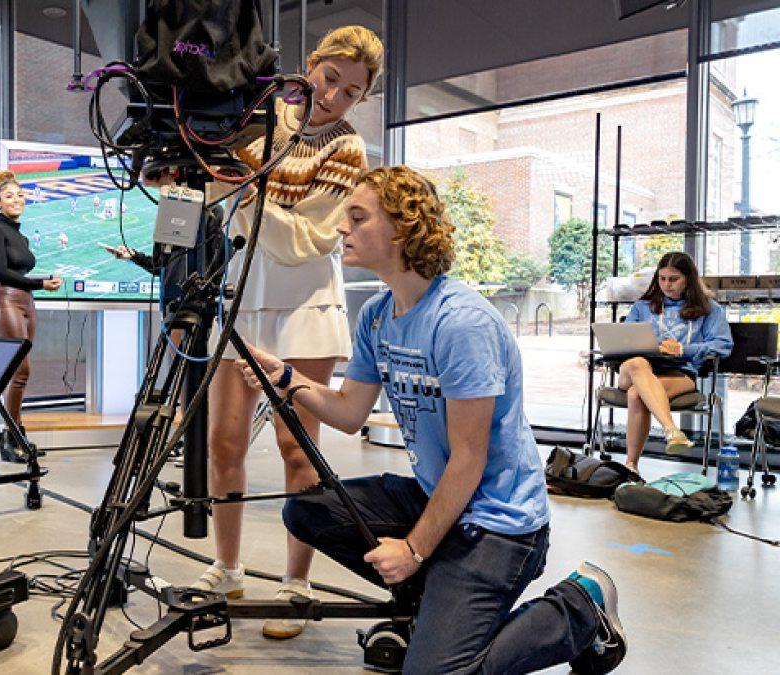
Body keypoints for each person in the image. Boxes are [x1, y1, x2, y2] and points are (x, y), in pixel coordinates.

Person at [240, 166, 626, 674]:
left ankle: (579, 607)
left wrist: (415, 551)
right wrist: (289, 378)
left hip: (499, 526)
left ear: (402, 228)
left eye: (358, 217)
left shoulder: (460, 323)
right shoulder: (377, 316)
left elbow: (470, 458)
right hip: (438, 497)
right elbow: (351, 413)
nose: (341, 228)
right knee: (307, 512)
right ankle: (441, 604)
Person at [193, 25, 384, 640]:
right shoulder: (261, 115)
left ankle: (297, 583)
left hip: (306, 305)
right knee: (223, 441)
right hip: (247, 296)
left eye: (353, 91)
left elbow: (305, 240)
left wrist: (238, 192)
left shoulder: (350, 150)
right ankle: (226, 567)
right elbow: (213, 194)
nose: (335, 96)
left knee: (295, 447)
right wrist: (220, 183)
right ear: (312, 65)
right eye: (331, 78)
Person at [620, 252, 732, 475]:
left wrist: (684, 350)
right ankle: (671, 430)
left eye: (673, 279)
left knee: (636, 394)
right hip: (636, 369)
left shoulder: (710, 309)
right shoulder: (642, 306)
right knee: (637, 363)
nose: (666, 285)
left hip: (679, 373)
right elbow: (625, 338)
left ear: (688, 279)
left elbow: (722, 345)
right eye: (662, 279)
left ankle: (630, 466)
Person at [0, 169, 63, 462]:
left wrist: (42, 282)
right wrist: (41, 283)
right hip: (5, 301)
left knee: (19, 372)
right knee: (20, 370)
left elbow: (19, 271)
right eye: (9, 196)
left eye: (20, 195)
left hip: (27, 301)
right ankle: (11, 434)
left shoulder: (21, 236)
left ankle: (13, 433)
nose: (16, 200)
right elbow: (0, 272)